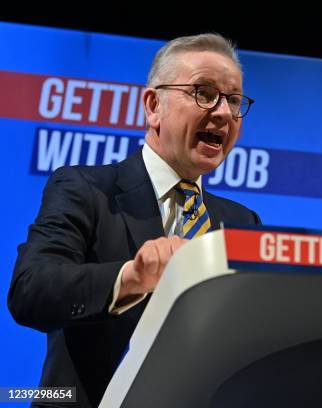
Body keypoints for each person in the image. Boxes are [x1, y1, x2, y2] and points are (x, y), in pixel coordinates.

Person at [8, 33, 260, 407]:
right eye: (204, 93)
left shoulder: (243, 223)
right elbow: (30, 290)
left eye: (234, 100)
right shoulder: (86, 189)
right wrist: (131, 277)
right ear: (153, 105)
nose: (223, 113)